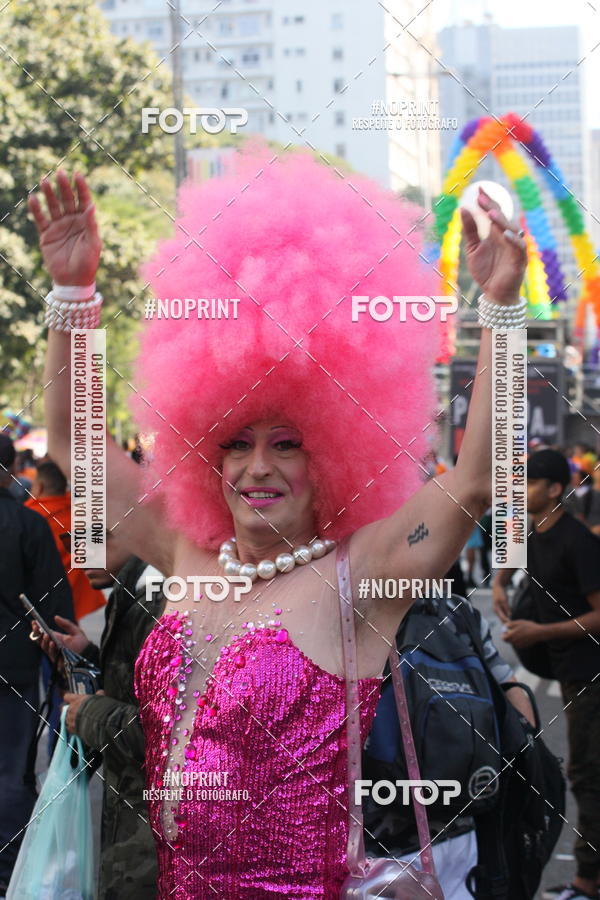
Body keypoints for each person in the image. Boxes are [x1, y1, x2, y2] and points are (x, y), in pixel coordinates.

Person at [31, 154, 527, 898]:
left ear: (331, 454)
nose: (257, 467)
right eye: (236, 443)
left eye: (287, 444)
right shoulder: (187, 553)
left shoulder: (359, 576)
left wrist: (502, 308)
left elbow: (479, 480)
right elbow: (75, 443)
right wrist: (74, 295)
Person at [364, 593, 536, 900]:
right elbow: (512, 691)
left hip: (377, 850)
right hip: (463, 831)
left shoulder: (348, 610)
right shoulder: (457, 609)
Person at [493, 449, 600, 900]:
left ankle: (587, 882)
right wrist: (499, 582)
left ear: (555, 489)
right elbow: (513, 551)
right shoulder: (534, 532)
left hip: (590, 672)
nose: (521, 491)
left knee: (586, 772)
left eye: (530, 483)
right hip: (566, 668)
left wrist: (541, 632)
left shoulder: (578, 542)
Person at [35, 552, 165, 900]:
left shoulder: (159, 599)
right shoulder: (130, 592)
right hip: (132, 829)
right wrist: (85, 659)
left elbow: (168, 731)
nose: (82, 555)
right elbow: (131, 689)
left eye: (98, 535)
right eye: (75, 539)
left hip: (155, 844)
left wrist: (89, 714)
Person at [0, 433, 73, 893]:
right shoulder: (28, 524)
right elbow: (54, 604)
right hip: (15, 666)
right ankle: (9, 873)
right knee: (12, 769)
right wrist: (66, 663)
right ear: (10, 471)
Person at [25, 460, 105, 620]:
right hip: (76, 596)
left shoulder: (28, 518)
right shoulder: (81, 514)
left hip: (42, 600)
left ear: (39, 487)